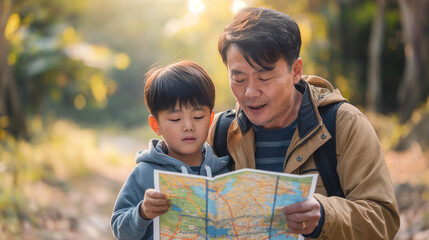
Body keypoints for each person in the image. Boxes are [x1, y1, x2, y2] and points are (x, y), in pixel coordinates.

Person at [207, 7, 400, 239]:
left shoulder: (343, 124)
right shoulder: (218, 132)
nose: (249, 92)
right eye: (238, 78)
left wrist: (324, 215)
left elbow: (384, 220)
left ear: (295, 71)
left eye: (264, 78)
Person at [111, 60, 230, 240]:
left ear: (211, 118)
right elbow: (120, 230)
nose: (188, 126)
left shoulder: (224, 173)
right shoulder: (145, 173)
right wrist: (142, 213)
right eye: (175, 119)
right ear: (155, 124)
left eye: (198, 116)